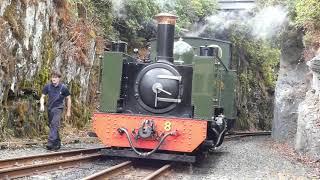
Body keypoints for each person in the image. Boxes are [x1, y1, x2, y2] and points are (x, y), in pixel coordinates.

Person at [40, 70, 71, 150]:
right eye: (52, 77)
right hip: (50, 108)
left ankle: (50, 143)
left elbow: (68, 98)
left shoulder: (63, 88)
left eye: (55, 77)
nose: (53, 79)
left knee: (54, 124)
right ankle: (57, 143)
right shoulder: (48, 86)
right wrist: (42, 105)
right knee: (53, 126)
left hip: (58, 108)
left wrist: (68, 111)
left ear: (59, 79)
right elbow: (42, 96)